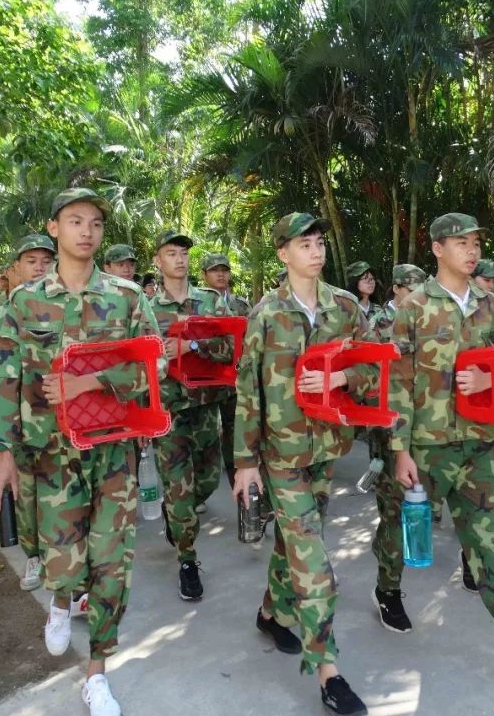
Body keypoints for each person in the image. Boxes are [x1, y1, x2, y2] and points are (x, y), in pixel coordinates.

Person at [0, 188, 161, 716]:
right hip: (51, 457)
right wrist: (2, 453)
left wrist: (93, 383)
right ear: (55, 227)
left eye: (95, 224)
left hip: (112, 454)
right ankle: (60, 601)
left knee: (112, 565)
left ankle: (98, 672)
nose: (87, 231)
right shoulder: (22, 302)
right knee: (65, 563)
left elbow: (156, 369)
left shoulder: (129, 297)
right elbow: (4, 381)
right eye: (75, 221)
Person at [388, 212, 494, 685]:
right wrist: (399, 449)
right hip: (426, 447)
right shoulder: (415, 306)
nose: (472, 250)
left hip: (480, 445)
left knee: (493, 545)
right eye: (460, 242)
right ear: (437, 248)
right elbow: (398, 382)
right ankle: (388, 592)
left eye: (476, 242)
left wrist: (493, 378)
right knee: (395, 531)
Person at [234, 212, 377, 716]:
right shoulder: (266, 314)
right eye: (304, 244)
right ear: (283, 254)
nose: (315, 251)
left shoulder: (344, 307)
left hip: (327, 451)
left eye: (319, 243)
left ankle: (271, 614)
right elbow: (248, 391)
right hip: (280, 455)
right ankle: (329, 673)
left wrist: (343, 381)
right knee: (314, 564)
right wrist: (244, 462)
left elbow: (373, 366)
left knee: (292, 542)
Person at [0, 234, 55, 585]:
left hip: (54, 423)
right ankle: (34, 556)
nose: (39, 268)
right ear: (15, 267)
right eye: (31, 261)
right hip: (15, 424)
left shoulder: (65, 307)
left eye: (46, 261)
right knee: (26, 498)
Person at [148, 231, 232, 601]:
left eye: (183, 253)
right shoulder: (147, 310)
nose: (179, 259)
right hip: (170, 412)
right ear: (158, 261)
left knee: (210, 481)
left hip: (206, 405)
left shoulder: (211, 303)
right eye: (171, 253)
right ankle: (188, 559)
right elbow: (138, 359)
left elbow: (230, 346)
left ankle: (176, 514)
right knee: (179, 489)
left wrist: (193, 344)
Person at [367, 263, 426, 634]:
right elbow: (369, 376)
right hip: (392, 427)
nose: (419, 297)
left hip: (433, 429)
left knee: (419, 504)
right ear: (398, 290)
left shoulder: (431, 319)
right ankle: (388, 589)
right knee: (395, 509)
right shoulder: (378, 326)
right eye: (413, 290)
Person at [201, 252, 251, 489]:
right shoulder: (199, 304)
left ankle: (239, 487)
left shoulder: (241, 305)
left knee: (236, 435)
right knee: (206, 438)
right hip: (208, 380)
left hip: (236, 381)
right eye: (214, 270)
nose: (220, 274)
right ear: (204, 275)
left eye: (224, 270)